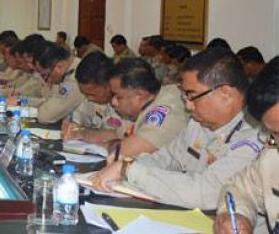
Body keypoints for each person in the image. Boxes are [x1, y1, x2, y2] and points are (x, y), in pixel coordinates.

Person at [92, 48, 263, 210]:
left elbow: (207, 192)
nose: (188, 106)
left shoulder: (256, 136)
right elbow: (168, 157)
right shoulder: (200, 123)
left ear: (225, 93)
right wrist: (128, 165)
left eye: (192, 96)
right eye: (185, 96)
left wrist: (130, 171)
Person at [214, 57, 278, 234]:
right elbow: (240, 188)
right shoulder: (273, 153)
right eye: (274, 133)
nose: (274, 142)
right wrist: (236, 216)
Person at [85, 58, 188, 159]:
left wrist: (112, 145)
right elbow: (118, 133)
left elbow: (124, 152)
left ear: (140, 95)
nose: (113, 102)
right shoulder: (150, 101)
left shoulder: (165, 111)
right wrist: (81, 134)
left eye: (118, 96)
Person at [62, 52, 125, 142]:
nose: (88, 98)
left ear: (108, 85)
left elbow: (120, 136)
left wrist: (84, 133)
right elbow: (77, 120)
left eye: (92, 94)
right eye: (85, 94)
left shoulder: (127, 106)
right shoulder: (91, 100)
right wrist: (71, 126)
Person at [29, 42, 85, 124]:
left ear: (59, 66)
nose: (46, 80)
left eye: (45, 75)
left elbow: (45, 116)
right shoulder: (69, 70)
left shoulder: (75, 78)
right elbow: (49, 100)